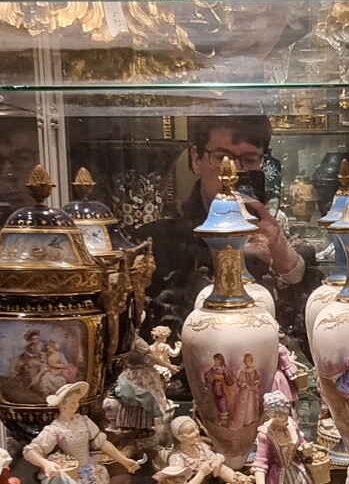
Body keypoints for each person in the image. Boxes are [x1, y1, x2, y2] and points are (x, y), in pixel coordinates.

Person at [130, 115, 308, 335]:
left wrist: (285, 262)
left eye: (250, 160)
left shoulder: (276, 235)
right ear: (196, 159)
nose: (234, 170)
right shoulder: (159, 243)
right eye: (222, 157)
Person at [253, 391, 317, 484]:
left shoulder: (292, 424)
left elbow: (301, 442)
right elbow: (260, 461)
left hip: (296, 470)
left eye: (284, 414)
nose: (282, 419)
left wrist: (305, 448)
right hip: (277, 476)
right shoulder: (265, 434)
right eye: (276, 417)